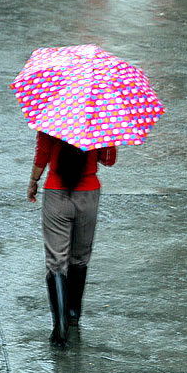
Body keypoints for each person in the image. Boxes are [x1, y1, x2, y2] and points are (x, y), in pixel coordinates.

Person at [27, 131, 117, 347]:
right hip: (88, 193)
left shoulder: (52, 118)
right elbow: (108, 160)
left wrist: (33, 181)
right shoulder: (101, 120)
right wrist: (107, 136)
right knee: (80, 257)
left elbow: (42, 156)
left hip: (56, 192)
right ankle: (73, 315)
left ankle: (60, 326)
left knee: (56, 261)